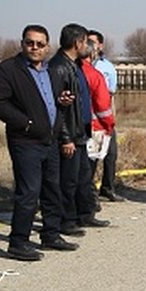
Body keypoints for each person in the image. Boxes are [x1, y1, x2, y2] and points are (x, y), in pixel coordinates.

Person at [0, 24, 77, 260]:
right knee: (29, 192)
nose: (34, 47)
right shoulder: (8, 70)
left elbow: (49, 102)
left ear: (47, 47)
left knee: (51, 189)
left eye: (40, 44)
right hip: (25, 142)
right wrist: (25, 123)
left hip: (50, 140)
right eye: (30, 42)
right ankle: (18, 242)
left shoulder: (49, 71)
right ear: (22, 43)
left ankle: (51, 234)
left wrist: (62, 101)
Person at [50, 23, 109, 235]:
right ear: (77, 43)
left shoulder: (75, 66)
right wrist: (66, 137)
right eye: (85, 42)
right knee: (69, 181)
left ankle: (85, 214)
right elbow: (57, 108)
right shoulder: (58, 67)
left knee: (84, 177)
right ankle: (67, 221)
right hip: (70, 135)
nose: (88, 46)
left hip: (81, 131)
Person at [88, 29, 123, 202]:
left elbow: (111, 96)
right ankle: (89, 192)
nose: (89, 45)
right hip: (90, 120)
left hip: (105, 118)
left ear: (100, 45)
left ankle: (108, 188)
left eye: (92, 42)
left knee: (111, 154)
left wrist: (112, 120)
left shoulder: (107, 67)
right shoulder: (81, 65)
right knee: (92, 156)